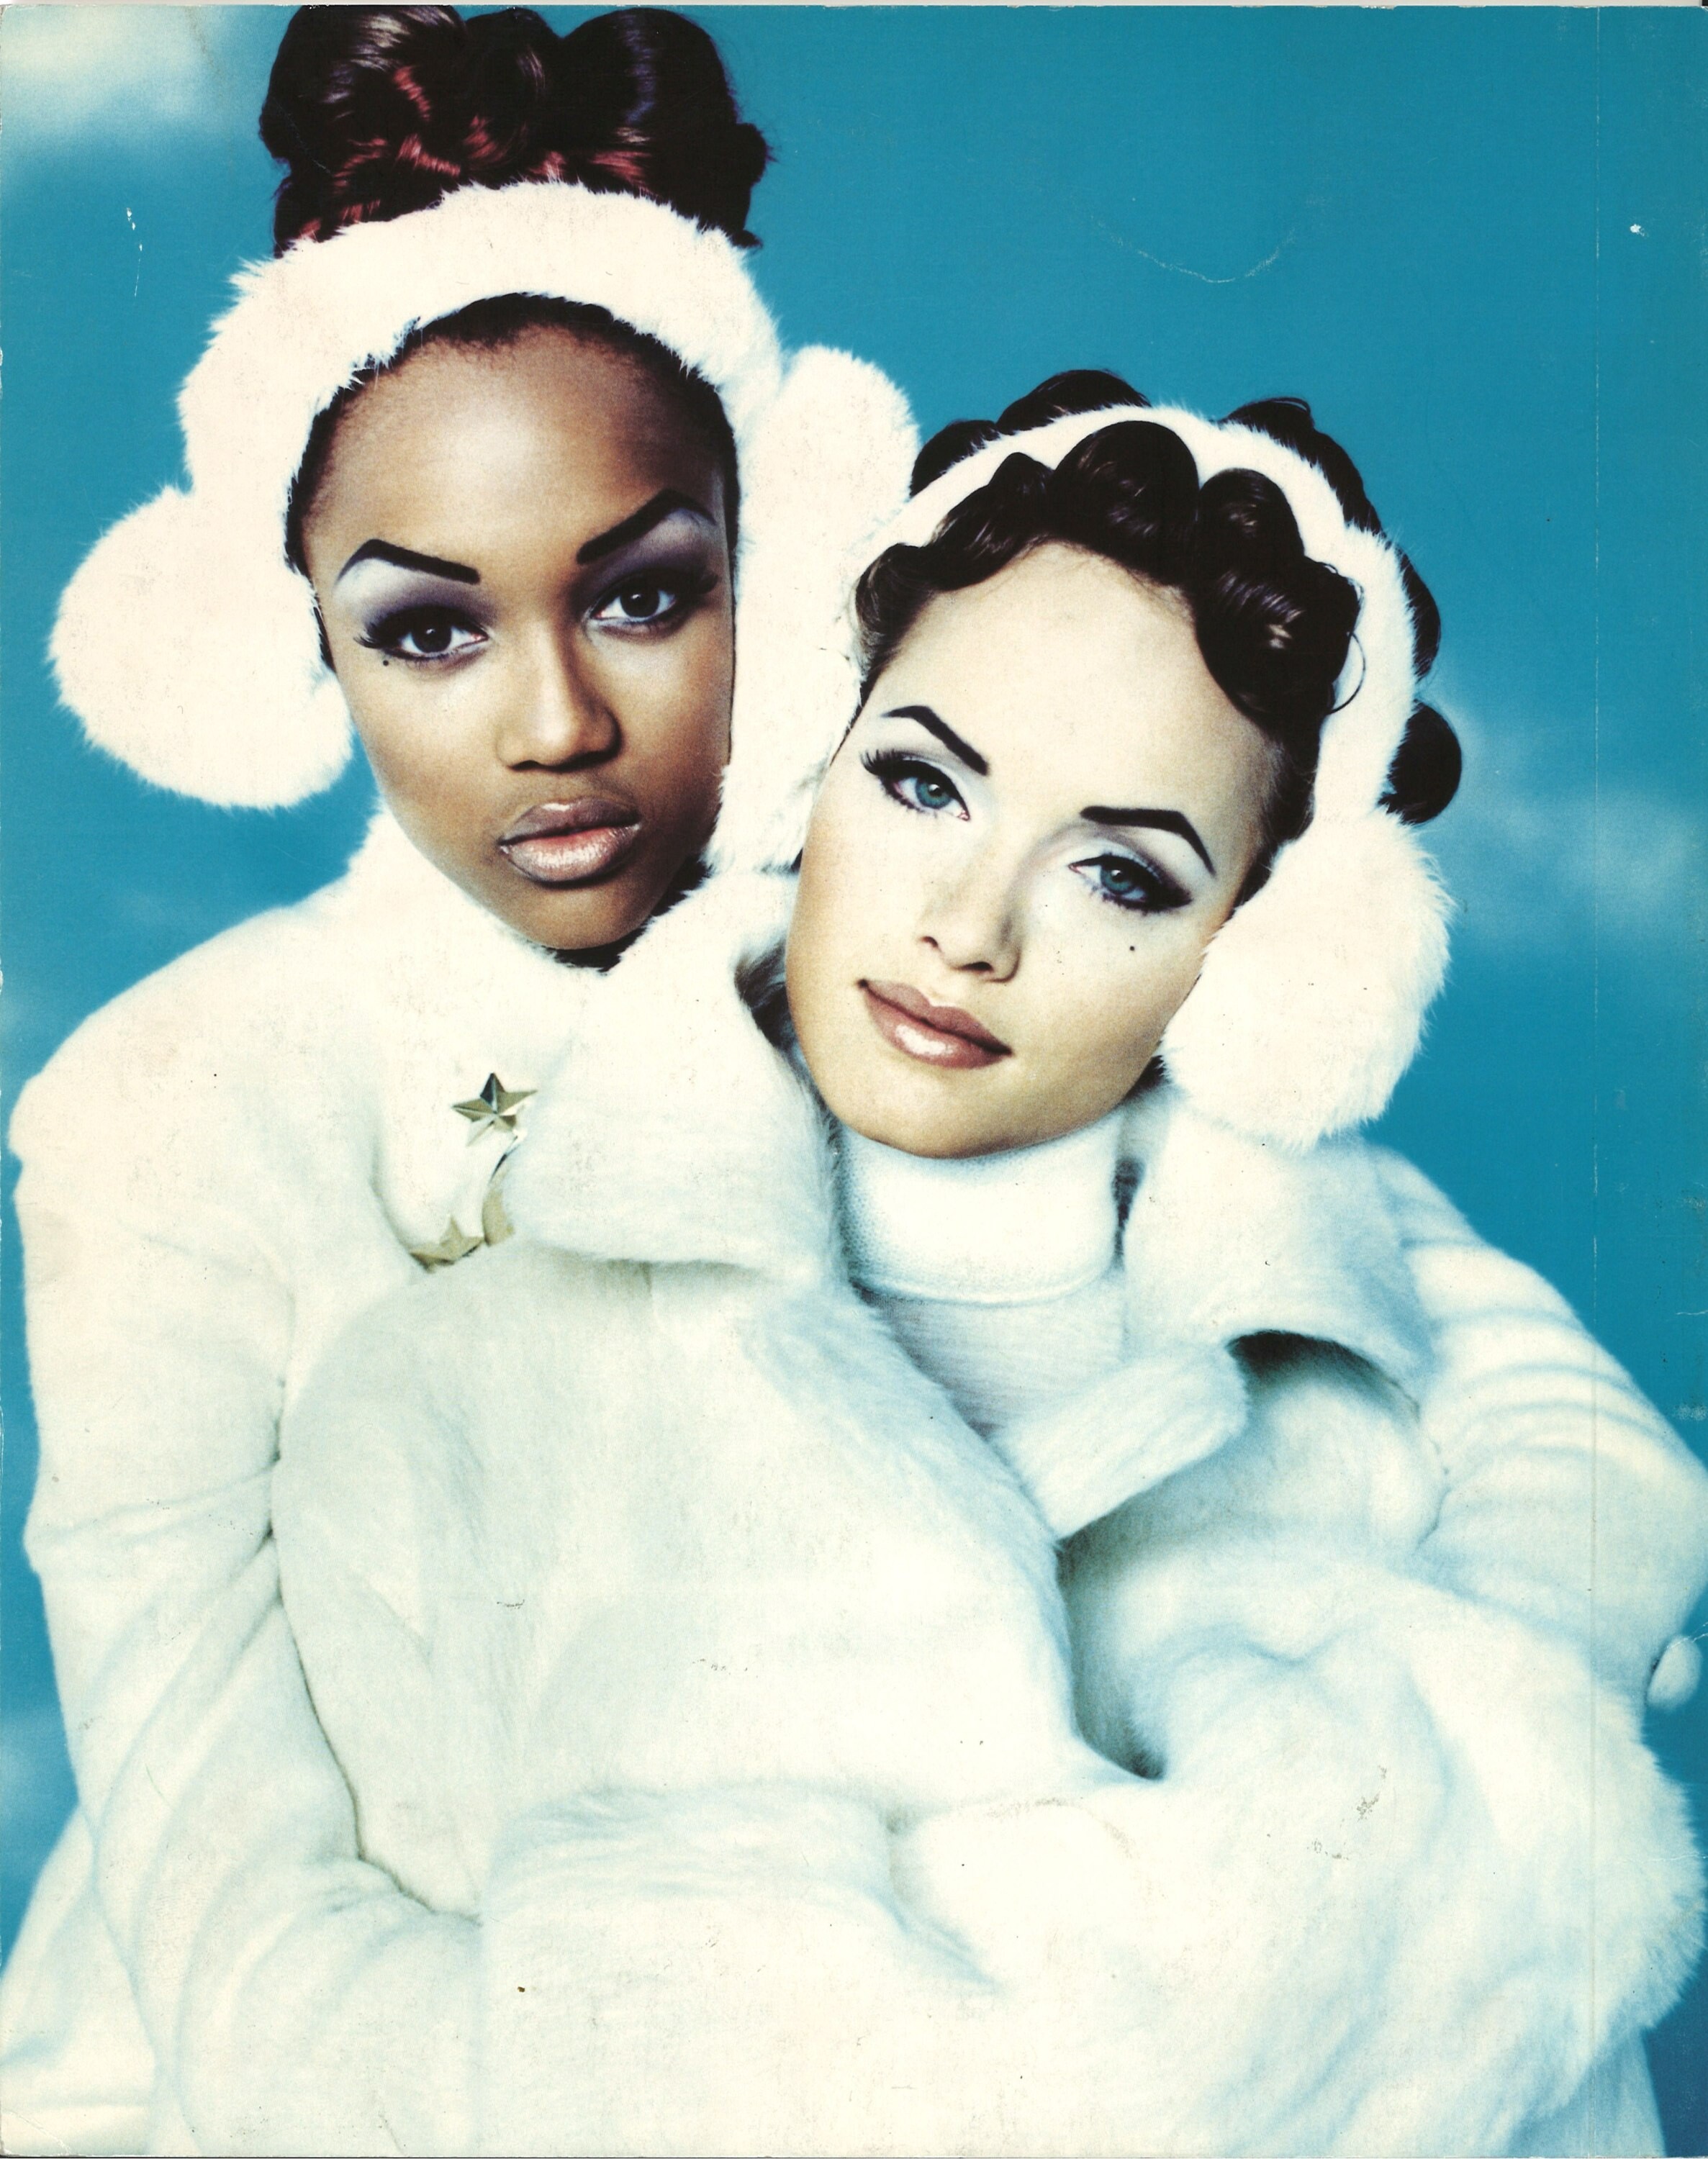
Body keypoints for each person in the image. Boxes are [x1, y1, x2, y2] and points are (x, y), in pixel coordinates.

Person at [273, 376, 1708, 2154]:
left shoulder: (1411, 1410)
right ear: (807, 758)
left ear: (1270, 952)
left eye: (1121, 875)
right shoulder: (438, 1401)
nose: (968, 927)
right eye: (920, 782)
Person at [0, 9, 914, 2153]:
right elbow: (213, 1845)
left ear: (764, 568)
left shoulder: (927, 978)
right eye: (430, 630)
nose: (555, 724)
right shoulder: (170, 1104)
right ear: (295, 643)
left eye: (645, 597)